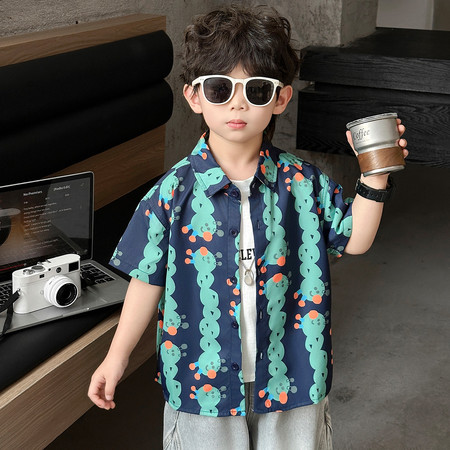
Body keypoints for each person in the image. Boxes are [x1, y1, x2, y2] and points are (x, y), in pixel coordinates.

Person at [88, 4, 408, 449]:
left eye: (256, 89)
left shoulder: (303, 183)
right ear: (194, 97)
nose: (237, 102)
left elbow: (354, 239)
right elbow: (147, 281)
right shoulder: (170, 192)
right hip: (200, 379)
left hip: (294, 372)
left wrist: (375, 174)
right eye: (220, 88)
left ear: (280, 99)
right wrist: (116, 357)